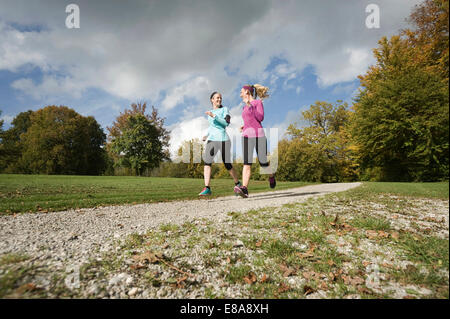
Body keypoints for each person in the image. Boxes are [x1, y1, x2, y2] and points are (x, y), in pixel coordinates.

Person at [234, 84, 276, 198]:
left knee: (263, 162)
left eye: (241, 91)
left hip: (259, 135)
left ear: (247, 92)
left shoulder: (257, 103)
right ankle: (244, 188)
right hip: (247, 136)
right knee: (246, 163)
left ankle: (271, 176)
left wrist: (250, 106)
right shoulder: (244, 107)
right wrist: (244, 126)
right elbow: (250, 119)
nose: (240, 94)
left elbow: (260, 117)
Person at [199, 92, 241, 196]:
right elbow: (212, 126)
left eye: (220, 98)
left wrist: (214, 116)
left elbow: (226, 123)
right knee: (207, 162)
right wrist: (206, 135)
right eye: (217, 98)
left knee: (227, 164)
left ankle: (238, 183)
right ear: (212, 100)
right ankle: (207, 188)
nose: (219, 99)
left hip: (223, 139)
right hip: (212, 139)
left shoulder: (224, 109)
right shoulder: (211, 112)